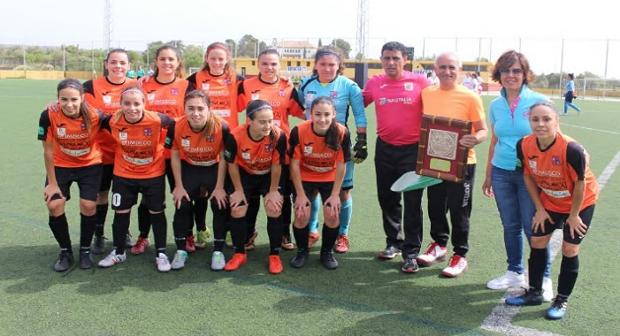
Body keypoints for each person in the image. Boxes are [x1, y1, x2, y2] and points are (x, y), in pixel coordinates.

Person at [505, 101, 598, 320]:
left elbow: (580, 185)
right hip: (550, 202)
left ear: (557, 121)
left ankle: (562, 298)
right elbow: (527, 175)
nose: (540, 124)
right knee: (537, 241)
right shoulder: (524, 145)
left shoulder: (571, 149)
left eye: (546, 119)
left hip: (580, 202)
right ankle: (535, 292)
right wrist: (539, 208)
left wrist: (573, 216)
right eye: (535, 119)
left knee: (569, 249)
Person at [482, 50, 554, 300]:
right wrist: (489, 174)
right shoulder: (494, 105)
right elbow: (495, 140)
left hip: (531, 176)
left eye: (516, 71)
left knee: (533, 227)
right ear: (498, 75)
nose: (511, 75)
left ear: (525, 74)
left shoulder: (539, 100)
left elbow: (553, 139)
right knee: (510, 225)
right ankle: (514, 271)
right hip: (502, 172)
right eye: (505, 71)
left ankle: (543, 278)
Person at [416, 52, 488, 277]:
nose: (447, 72)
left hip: (462, 163)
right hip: (434, 162)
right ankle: (439, 244)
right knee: (435, 205)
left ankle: (460, 254)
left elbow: (483, 130)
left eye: (452, 68)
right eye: (443, 67)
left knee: (459, 210)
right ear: (435, 70)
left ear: (460, 71)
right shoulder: (427, 93)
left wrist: (475, 138)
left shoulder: (470, 97)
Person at [362, 41, 428, 273]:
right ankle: (394, 242)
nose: (391, 63)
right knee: (387, 197)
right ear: (381, 60)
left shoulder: (420, 82)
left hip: (413, 150)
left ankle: (411, 252)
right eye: (387, 58)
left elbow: (436, 106)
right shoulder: (374, 83)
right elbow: (356, 103)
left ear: (405, 60)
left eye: (396, 58)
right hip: (385, 148)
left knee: (412, 202)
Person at [97, 87, 175, 272]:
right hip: (124, 174)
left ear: (144, 104)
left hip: (153, 174)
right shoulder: (113, 120)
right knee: (121, 212)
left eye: (136, 103)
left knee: (157, 212)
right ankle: (118, 251)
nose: (132, 108)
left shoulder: (157, 119)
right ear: (120, 104)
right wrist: (54, 106)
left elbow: (177, 125)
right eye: (127, 103)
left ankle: (161, 254)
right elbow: (92, 116)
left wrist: (167, 145)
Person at [297, 46, 367, 254]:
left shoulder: (349, 86)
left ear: (339, 66)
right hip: (309, 145)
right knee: (312, 190)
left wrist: (361, 140)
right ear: (316, 65)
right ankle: (312, 230)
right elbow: (302, 110)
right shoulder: (306, 84)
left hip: (338, 145)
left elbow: (360, 115)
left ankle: (342, 234)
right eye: (323, 64)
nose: (327, 68)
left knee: (343, 192)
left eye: (332, 65)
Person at [237, 48, 305, 251]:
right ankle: (249, 234)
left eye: (274, 64)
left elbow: (303, 112)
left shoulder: (287, 87)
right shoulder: (246, 86)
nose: (269, 67)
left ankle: (284, 234)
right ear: (258, 64)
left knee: (281, 196)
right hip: (251, 148)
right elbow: (232, 106)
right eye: (265, 63)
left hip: (279, 148)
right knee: (251, 197)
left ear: (280, 65)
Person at [38, 79, 105, 271]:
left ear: (83, 98)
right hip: (61, 166)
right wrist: (52, 183)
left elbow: (119, 121)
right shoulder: (49, 115)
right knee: (54, 204)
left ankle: (85, 251)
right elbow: (48, 151)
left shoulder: (95, 115)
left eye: (74, 99)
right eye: (64, 99)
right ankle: (66, 251)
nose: (69, 104)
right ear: (57, 99)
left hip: (89, 165)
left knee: (89, 205)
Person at [133, 45, 189, 255]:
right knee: (147, 200)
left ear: (178, 63)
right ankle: (143, 236)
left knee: (182, 196)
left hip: (178, 151)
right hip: (151, 152)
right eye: (162, 59)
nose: (167, 63)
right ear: (156, 62)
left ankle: (187, 234)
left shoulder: (186, 85)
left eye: (171, 59)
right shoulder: (142, 85)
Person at [187, 42, 243, 249]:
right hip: (202, 138)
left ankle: (227, 230)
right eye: (213, 58)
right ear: (206, 58)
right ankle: (201, 229)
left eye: (221, 58)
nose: (217, 62)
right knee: (200, 193)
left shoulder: (238, 80)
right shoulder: (195, 79)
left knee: (225, 190)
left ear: (227, 59)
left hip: (228, 137)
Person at [223, 100, 287, 274]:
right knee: (237, 208)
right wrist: (238, 190)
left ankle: (274, 255)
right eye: (262, 121)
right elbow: (231, 164)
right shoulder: (235, 136)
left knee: (274, 208)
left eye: (270, 120)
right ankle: (239, 253)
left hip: (268, 176)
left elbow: (277, 165)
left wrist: (273, 191)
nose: (268, 125)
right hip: (244, 174)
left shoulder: (278, 136)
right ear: (249, 121)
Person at [83, 48, 137, 254]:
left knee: (125, 195)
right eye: (113, 62)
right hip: (102, 152)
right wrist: (52, 105)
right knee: (101, 195)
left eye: (122, 63)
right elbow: (71, 101)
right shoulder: (90, 86)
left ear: (128, 66)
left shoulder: (135, 86)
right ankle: (98, 234)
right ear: (106, 64)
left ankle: (123, 232)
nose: (118, 66)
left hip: (129, 152)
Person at [169, 90, 230, 270]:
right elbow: (174, 155)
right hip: (190, 167)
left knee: (220, 203)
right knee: (182, 203)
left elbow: (224, 157)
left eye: (200, 108)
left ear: (209, 109)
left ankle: (218, 251)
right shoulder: (176, 126)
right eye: (190, 108)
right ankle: (181, 250)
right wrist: (178, 186)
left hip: (213, 167)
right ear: (184, 109)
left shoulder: (221, 127)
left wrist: (219, 187)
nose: (195, 113)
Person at [288, 96, 351, 270]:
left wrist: (335, 195)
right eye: (317, 114)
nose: (322, 119)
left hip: (329, 178)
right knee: (301, 214)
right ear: (310, 114)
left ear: (334, 114)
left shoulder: (341, 132)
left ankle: (326, 253)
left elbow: (341, 165)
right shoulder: (299, 131)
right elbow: (293, 165)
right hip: (305, 177)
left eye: (326, 114)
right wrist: (300, 195)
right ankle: (302, 251)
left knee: (332, 213)